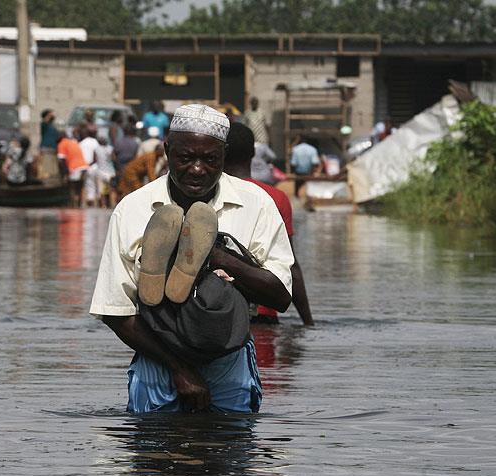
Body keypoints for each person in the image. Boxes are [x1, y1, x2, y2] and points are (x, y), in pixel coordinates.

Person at [90, 104, 294, 413]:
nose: (197, 169)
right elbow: (115, 311)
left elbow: (280, 297)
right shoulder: (133, 209)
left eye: (209, 159)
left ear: (223, 156)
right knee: (167, 454)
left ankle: (206, 257)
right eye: (186, 158)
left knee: (200, 452)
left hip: (228, 353)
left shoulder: (256, 204)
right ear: (167, 150)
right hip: (160, 356)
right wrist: (179, 369)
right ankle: (170, 270)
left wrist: (218, 258)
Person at [224, 122, 314, 326]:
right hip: (264, 312)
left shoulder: (207, 194)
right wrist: (308, 322)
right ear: (253, 154)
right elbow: (291, 265)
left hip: (217, 310)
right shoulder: (276, 197)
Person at [57, 133, 88, 207]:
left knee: (72, 187)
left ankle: (73, 205)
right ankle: (80, 205)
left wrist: (64, 173)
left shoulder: (61, 144)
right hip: (84, 166)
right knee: (80, 187)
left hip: (74, 167)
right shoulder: (73, 142)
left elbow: (61, 160)